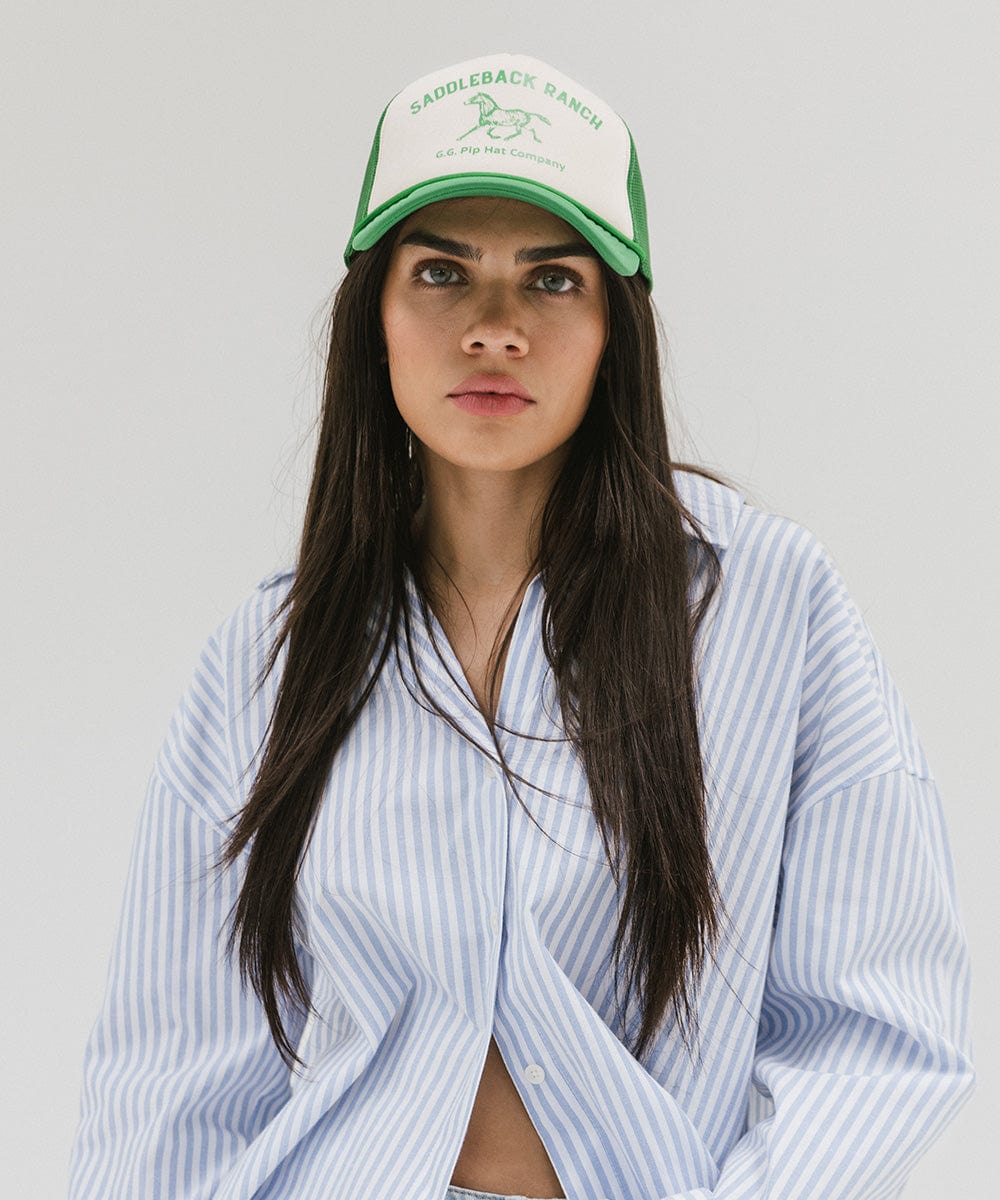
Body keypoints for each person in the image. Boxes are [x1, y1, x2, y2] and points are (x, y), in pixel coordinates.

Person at [66, 52, 973, 1200]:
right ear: (375, 318)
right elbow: (167, 1088)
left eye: (551, 281)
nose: (494, 329)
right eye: (443, 273)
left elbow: (880, 1028)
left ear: (614, 329)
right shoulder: (268, 659)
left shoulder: (765, 602)